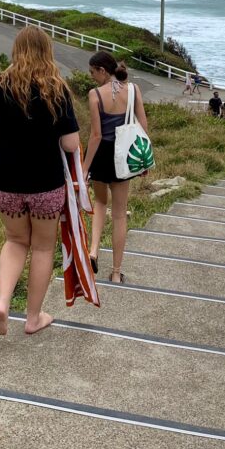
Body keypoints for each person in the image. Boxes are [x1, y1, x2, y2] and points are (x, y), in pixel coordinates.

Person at [0, 26, 80, 336]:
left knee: (14, 241)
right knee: (41, 249)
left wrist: (13, 70)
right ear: (47, 52)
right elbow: (71, 145)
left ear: (16, 51)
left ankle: (2, 304)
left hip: (7, 180)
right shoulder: (57, 89)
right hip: (45, 183)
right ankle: (33, 317)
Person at [83, 51, 149, 283]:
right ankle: (117, 272)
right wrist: (142, 158)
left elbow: (96, 136)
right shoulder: (133, 90)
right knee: (120, 215)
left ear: (102, 70)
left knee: (100, 203)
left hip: (101, 156)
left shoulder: (94, 95)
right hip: (124, 155)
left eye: (92, 72)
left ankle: (93, 251)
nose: (91, 77)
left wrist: (84, 167)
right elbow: (142, 124)